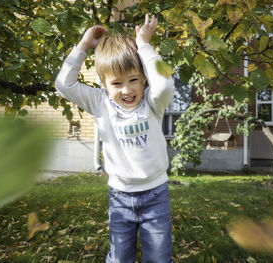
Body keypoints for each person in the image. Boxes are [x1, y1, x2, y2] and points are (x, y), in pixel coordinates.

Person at [55, 14, 174, 263]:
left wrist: (143, 44)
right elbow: (64, 85)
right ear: (103, 84)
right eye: (117, 83)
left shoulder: (152, 102)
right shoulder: (100, 102)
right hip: (120, 197)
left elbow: (163, 84)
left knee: (159, 259)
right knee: (119, 258)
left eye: (134, 80)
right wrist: (84, 46)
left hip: (156, 195)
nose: (127, 90)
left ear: (144, 78)